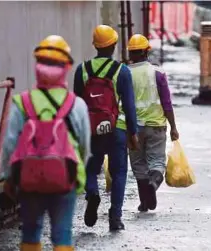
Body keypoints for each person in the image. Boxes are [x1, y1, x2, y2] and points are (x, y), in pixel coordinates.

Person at [2, 35, 91, 251]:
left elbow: (9, 144)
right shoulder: (76, 104)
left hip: (29, 178)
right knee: (63, 234)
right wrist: (78, 171)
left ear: (37, 66)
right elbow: (84, 146)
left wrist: (8, 177)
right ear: (66, 67)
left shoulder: (23, 102)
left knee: (31, 231)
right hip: (64, 177)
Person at [73, 25, 139, 231]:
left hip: (91, 129)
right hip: (116, 128)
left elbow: (76, 102)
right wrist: (133, 133)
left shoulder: (82, 70)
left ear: (95, 45)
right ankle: (115, 217)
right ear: (113, 45)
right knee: (119, 172)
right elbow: (129, 105)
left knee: (91, 168)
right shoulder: (122, 71)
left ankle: (92, 193)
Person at [126, 34, 179, 212]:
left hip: (133, 127)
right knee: (156, 162)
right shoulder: (158, 73)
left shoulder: (124, 73)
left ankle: (144, 202)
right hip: (156, 125)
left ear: (130, 53)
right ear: (146, 52)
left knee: (138, 164)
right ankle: (153, 185)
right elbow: (167, 103)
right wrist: (173, 127)